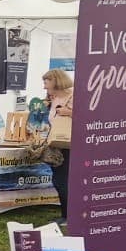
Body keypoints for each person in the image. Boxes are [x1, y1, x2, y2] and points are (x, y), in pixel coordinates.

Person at [40, 67, 75, 212]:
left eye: (46, 82)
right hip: (58, 143)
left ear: (55, 81)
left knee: (61, 180)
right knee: (58, 179)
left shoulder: (74, 95)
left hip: (69, 144)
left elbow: (90, 117)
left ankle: (68, 215)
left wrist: (69, 112)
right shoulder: (54, 98)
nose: (44, 86)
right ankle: (66, 213)